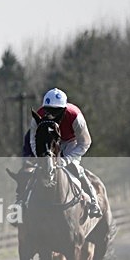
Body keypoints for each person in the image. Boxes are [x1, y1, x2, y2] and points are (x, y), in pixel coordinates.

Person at [18, 87, 102, 218]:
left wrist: (67, 159)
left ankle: (93, 201)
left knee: (75, 168)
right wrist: (39, 158)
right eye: (48, 110)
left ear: (64, 110)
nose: (50, 114)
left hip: (70, 143)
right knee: (37, 169)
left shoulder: (75, 116)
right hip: (50, 143)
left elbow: (85, 142)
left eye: (56, 111)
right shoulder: (37, 117)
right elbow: (33, 141)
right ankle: (23, 201)